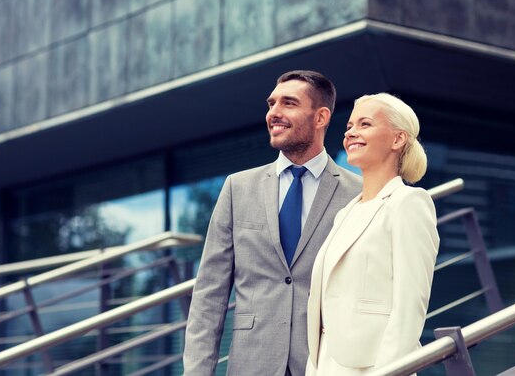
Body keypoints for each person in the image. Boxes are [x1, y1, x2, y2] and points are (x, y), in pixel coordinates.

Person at [183, 70, 362, 376]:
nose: (274, 114)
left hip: (326, 364)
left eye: (288, 103)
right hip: (253, 363)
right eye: (271, 104)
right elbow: (209, 294)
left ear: (320, 117)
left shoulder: (358, 193)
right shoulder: (237, 188)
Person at [305, 93, 440, 375]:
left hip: (372, 368)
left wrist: (389, 371)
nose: (351, 132)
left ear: (397, 139)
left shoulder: (408, 203)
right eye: (349, 126)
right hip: (327, 365)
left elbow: (409, 307)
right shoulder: (346, 214)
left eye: (365, 124)